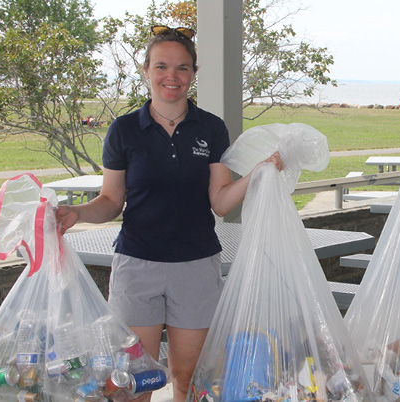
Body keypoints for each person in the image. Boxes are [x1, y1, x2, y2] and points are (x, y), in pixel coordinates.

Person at [56, 26, 283, 402]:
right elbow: (111, 200)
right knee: (134, 380)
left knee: (189, 377)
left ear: (193, 73)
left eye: (182, 68)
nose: (171, 77)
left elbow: (221, 202)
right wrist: (76, 212)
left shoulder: (210, 127)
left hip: (195, 265)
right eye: (161, 66)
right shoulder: (124, 130)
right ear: (146, 70)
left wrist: (258, 174)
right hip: (137, 265)